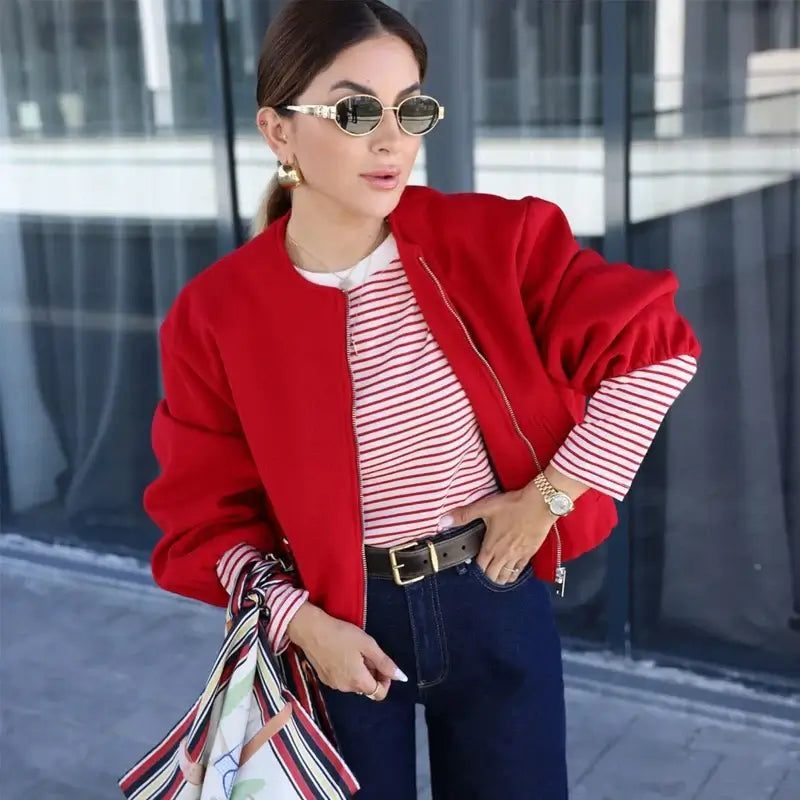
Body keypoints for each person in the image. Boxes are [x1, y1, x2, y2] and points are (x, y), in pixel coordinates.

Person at [143, 1, 700, 798]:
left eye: (410, 109)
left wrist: (550, 496)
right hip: (337, 625)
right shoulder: (217, 313)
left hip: (493, 595)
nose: (391, 139)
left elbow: (659, 350)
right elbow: (207, 524)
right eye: (355, 111)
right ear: (278, 132)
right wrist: (304, 625)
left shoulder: (493, 241)